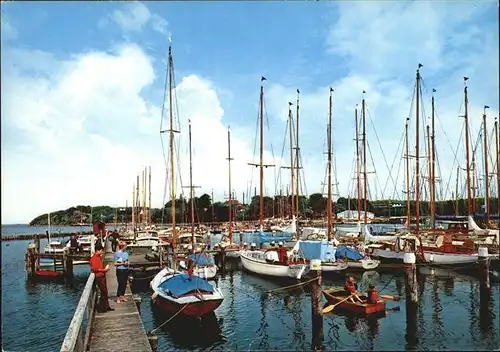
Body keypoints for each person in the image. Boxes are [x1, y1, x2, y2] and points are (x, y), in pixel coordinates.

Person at [90, 243, 114, 312]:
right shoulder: (94, 258)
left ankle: (107, 306)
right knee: (103, 292)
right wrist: (103, 270)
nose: (102, 252)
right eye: (101, 251)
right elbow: (94, 269)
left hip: (102, 275)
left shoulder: (99, 257)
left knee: (105, 292)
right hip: (99, 277)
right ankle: (102, 308)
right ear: (98, 250)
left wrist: (104, 269)